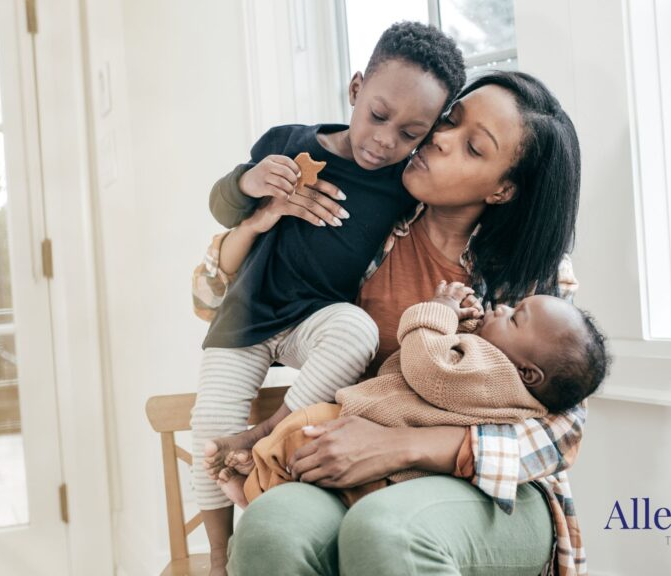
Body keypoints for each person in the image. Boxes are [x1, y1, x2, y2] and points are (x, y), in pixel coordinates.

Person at [195, 71, 589, 575]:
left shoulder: (532, 272)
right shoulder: (371, 217)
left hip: (493, 491)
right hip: (352, 469)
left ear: (503, 189)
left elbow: (565, 431)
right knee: (271, 530)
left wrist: (400, 446)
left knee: (385, 530)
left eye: (472, 147)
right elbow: (214, 302)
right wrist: (256, 222)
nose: (439, 138)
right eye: (450, 119)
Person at [190, 22, 467, 574]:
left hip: (314, 320)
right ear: (356, 88)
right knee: (209, 424)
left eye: (411, 133)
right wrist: (251, 184)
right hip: (245, 315)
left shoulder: (402, 186)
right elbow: (223, 207)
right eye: (380, 115)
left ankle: (269, 434)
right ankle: (220, 553)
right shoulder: (287, 144)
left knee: (357, 332)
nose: (387, 140)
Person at [222, 281, 608, 510]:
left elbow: (431, 369)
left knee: (302, 430)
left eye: (515, 317)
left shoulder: (495, 376)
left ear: (528, 372)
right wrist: (469, 323)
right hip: (383, 448)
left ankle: (253, 489)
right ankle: (257, 478)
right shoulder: (503, 382)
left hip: (385, 444)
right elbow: (461, 367)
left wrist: (437, 312)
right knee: (301, 439)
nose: (503, 307)